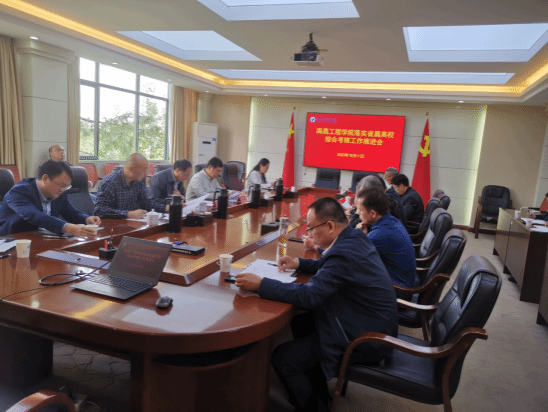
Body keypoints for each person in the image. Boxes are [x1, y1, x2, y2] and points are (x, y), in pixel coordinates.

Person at [235, 197, 398, 412]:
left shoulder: (343, 252)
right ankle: (319, 391)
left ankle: (314, 407)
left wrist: (261, 284)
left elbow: (310, 296)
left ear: (330, 226)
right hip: (371, 323)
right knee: (301, 323)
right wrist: (299, 262)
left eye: (311, 228)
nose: (308, 233)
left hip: (366, 339)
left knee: (284, 358)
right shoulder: (353, 237)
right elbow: (328, 265)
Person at [0, 160, 101, 237]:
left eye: (66, 186)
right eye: (61, 185)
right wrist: (68, 227)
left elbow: (71, 212)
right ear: (45, 179)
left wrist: (86, 218)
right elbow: (34, 215)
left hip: (43, 239)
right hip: (13, 240)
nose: (63, 190)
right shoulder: (18, 192)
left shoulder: (58, 192)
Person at [355, 187, 416, 291]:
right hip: (397, 280)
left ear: (373, 214)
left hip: (397, 290)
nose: (357, 212)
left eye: (360, 210)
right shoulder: (391, 220)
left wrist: (357, 235)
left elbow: (353, 258)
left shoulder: (380, 234)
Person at [93, 153, 166, 219]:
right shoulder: (109, 183)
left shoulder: (138, 181)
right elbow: (99, 210)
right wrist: (128, 214)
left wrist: (166, 208)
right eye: (144, 169)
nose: (147, 173)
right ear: (131, 169)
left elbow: (145, 203)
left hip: (131, 223)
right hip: (113, 225)